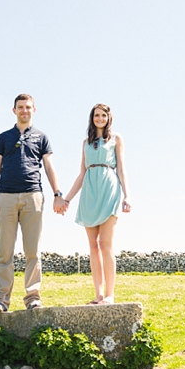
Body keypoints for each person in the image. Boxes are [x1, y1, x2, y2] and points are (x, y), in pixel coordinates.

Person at [0, 94, 66, 313]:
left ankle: (33, 297)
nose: (24, 110)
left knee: (33, 251)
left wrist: (57, 193)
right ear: (14, 111)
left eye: (28, 107)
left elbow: (49, 167)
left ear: (34, 110)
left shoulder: (42, 137)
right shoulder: (3, 137)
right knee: (4, 252)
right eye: (20, 107)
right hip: (5, 197)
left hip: (33, 196)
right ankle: (1, 300)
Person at [62, 103, 131, 305]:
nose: (100, 118)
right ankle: (98, 294)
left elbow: (122, 169)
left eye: (103, 115)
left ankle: (110, 295)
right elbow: (81, 174)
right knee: (93, 246)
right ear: (92, 118)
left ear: (109, 118)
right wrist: (67, 199)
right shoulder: (86, 142)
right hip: (89, 192)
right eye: (96, 115)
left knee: (105, 243)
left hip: (109, 188)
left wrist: (127, 196)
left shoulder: (116, 139)